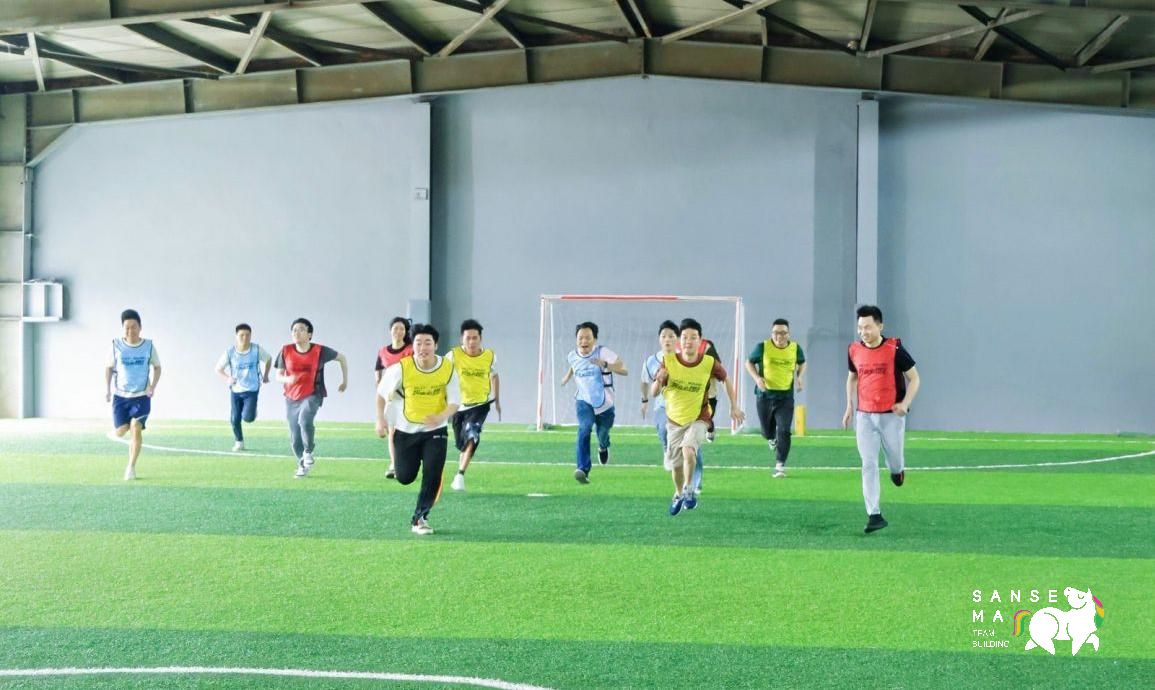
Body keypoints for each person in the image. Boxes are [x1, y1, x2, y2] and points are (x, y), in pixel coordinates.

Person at [651, 318, 744, 515]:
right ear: (680, 341)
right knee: (676, 466)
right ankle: (678, 493)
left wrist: (734, 406)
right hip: (674, 421)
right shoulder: (669, 361)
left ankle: (689, 489)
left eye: (693, 337)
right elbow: (653, 392)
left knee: (689, 450)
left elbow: (726, 379)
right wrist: (659, 380)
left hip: (699, 418)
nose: (688, 341)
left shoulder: (708, 362)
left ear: (700, 341)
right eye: (685, 337)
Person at [841, 305, 921, 534]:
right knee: (868, 463)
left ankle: (897, 471)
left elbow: (915, 378)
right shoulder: (854, 350)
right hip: (864, 416)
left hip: (891, 416)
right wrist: (849, 406)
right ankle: (874, 515)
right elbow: (852, 378)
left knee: (894, 459)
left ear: (880, 326)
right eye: (860, 327)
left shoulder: (894, 349)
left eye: (868, 327)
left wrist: (905, 404)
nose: (863, 332)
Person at [376, 323, 460, 535]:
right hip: (405, 430)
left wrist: (440, 417)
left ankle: (420, 518)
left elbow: (455, 402)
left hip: (436, 430)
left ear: (436, 345)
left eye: (428, 343)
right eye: (418, 343)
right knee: (405, 476)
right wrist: (380, 420)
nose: (423, 348)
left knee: (432, 473)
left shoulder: (447, 368)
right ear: (412, 346)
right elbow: (380, 394)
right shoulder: (401, 369)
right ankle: (407, 473)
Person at [274, 317, 348, 478]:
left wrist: (344, 381)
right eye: (294, 330)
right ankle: (302, 463)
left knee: (304, 420)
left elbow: (342, 358)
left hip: (313, 393)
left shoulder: (320, 351)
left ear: (309, 334)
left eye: (301, 329)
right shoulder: (286, 350)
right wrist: (288, 379)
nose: (297, 333)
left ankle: (308, 451)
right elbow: (278, 376)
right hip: (291, 397)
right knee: (295, 438)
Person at [560, 321, 627, 484]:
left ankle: (603, 446)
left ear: (594, 339)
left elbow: (623, 369)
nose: (584, 341)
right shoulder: (572, 355)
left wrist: (605, 364)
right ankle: (582, 469)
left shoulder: (603, 352)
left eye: (587, 338)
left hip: (605, 404)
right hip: (584, 401)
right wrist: (566, 377)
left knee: (603, 434)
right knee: (584, 428)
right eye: (580, 338)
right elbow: (574, 366)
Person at [641, 320, 702, 490]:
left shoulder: (686, 358)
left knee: (692, 444)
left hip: (686, 407)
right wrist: (644, 400)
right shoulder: (651, 361)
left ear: (677, 339)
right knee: (663, 430)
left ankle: (695, 482)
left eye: (671, 336)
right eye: (664, 336)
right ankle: (668, 451)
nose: (667, 339)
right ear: (659, 339)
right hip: (663, 406)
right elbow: (645, 382)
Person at [105, 308, 161, 481]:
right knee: (121, 431)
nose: (130, 331)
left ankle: (131, 467)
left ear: (140, 327)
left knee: (136, 427)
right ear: (123, 328)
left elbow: (157, 367)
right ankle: (122, 428)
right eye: (127, 327)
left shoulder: (148, 346)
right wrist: (107, 389)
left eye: (134, 327)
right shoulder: (116, 345)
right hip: (121, 397)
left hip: (141, 396)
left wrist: (153, 386)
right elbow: (108, 368)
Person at [746, 318, 806, 477]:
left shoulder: (795, 348)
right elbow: (749, 363)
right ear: (771, 333)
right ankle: (771, 438)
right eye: (776, 333)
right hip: (765, 396)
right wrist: (757, 378)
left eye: (783, 333)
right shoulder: (762, 347)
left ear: (789, 334)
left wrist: (799, 377)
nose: (780, 336)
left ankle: (780, 465)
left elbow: (802, 362)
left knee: (784, 430)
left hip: (785, 397)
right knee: (766, 432)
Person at [447, 319, 501, 492]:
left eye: (475, 338)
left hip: (480, 404)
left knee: (473, 434)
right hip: (458, 406)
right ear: (462, 339)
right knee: (461, 444)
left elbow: (494, 376)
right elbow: (442, 375)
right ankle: (459, 470)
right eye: (468, 338)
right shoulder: (453, 355)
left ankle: (460, 475)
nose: (471, 342)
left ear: (480, 338)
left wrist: (497, 399)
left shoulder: (489, 356)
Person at [215, 323, 272, 451]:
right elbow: (218, 369)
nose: (245, 338)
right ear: (236, 336)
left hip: (252, 389)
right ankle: (239, 441)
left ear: (251, 336)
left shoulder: (256, 350)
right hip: (236, 390)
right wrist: (228, 378)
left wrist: (266, 375)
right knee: (234, 418)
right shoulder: (229, 352)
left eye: (247, 335)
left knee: (248, 418)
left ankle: (251, 411)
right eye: (241, 335)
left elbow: (268, 359)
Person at [375, 316, 413, 479]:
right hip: (392, 399)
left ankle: (408, 460)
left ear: (405, 332)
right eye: (395, 328)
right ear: (390, 330)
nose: (398, 331)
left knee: (408, 431)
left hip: (409, 396)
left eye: (402, 329)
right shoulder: (383, 351)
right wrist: (380, 388)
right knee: (392, 431)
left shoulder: (410, 350)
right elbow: (378, 371)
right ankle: (394, 464)